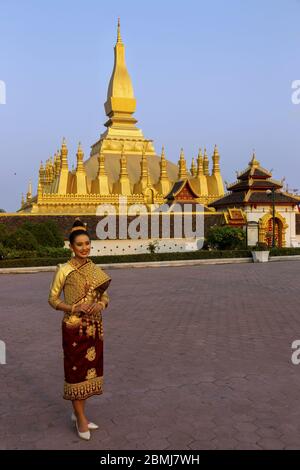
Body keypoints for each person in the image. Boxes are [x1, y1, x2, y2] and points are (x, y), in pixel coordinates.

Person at [48, 218, 111, 441]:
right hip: (74, 327)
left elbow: (104, 295)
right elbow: (52, 299)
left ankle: (79, 413)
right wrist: (73, 306)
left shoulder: (94, 269)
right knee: (76, 372)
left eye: (87, 244)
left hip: (94, 326)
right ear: (71, 247)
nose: (84, 248)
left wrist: (101, 304)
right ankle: (81, 418)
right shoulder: (64, 270)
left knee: (89, 371)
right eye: (79, 245)